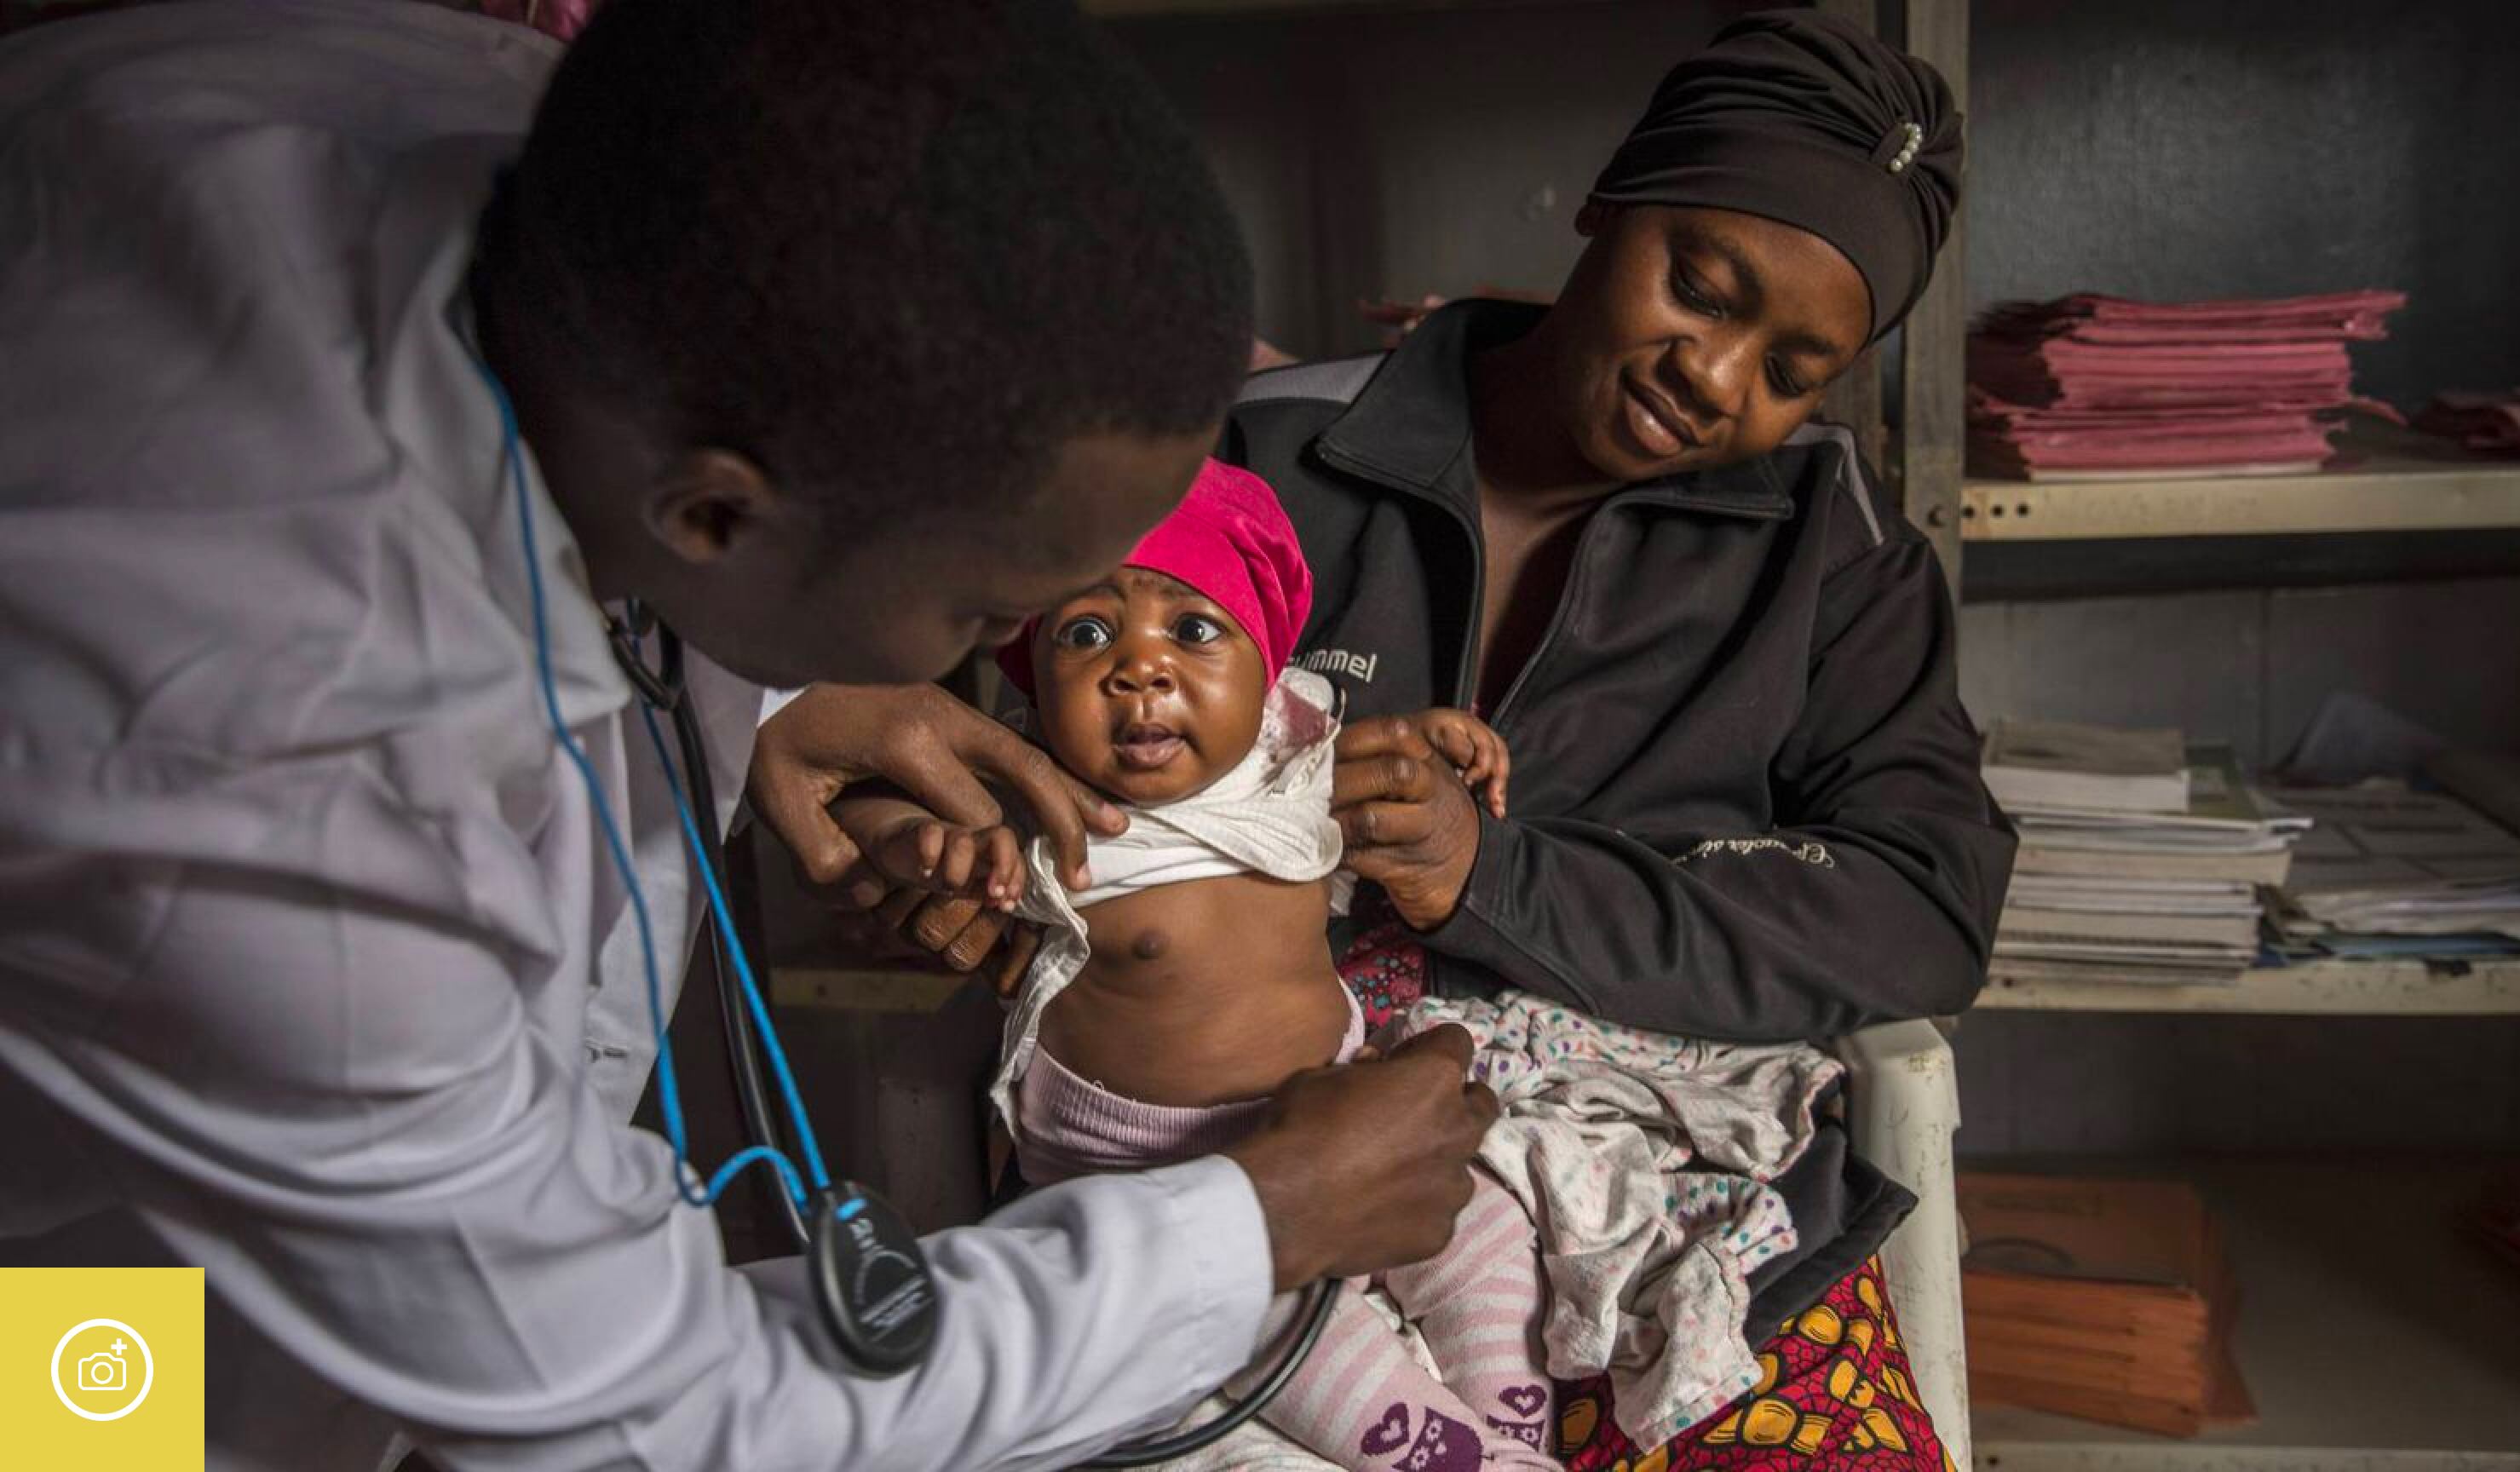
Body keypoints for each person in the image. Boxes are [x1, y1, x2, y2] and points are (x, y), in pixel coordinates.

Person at [0, 3, 1495, 1470]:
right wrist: (1257, 1221)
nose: (1050, 661)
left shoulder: (493, 127)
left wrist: (769, 679)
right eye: (994, 613)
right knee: (111, 1420)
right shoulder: (292, 795)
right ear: (717, 516)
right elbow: (647, 1413)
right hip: (90, 1307)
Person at [841, 13, 2013, 1469]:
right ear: (1609, 202)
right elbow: (1026, 781)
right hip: (1235, 1140)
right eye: (1700, 288)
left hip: (1652, 1182)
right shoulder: (1256, 460)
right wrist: (965, 883)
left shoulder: (1831, 554)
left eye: (1793, 369)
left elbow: (1926, 905)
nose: (1717, 377)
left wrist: (1499, 878)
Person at [835, 460, 1553, 1470]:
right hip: (1167, 1177)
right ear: (1033, 685)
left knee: (1486, 1233)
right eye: (1086, 635)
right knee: (1310, 1360)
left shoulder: (1285, 757)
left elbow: (1365, 761)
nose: (1140, 668)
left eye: (1193, 629)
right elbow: (859, 794)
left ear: (1268, 669)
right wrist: (917, 840)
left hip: (1346, 1105)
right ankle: (1461, 1453)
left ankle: (1512, 1417)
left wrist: (1426, 739)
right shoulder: (1042, 809)